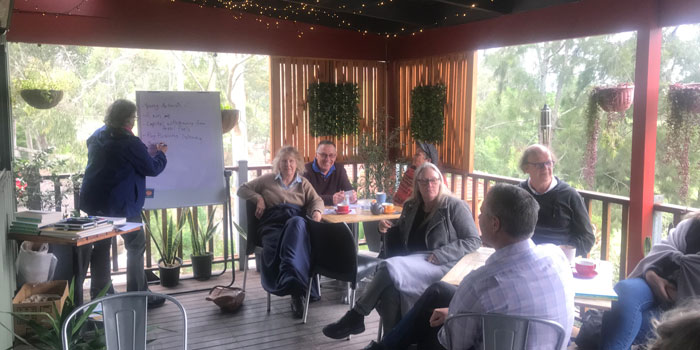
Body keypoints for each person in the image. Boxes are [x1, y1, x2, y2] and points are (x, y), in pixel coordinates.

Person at [362, 184, 574, 350]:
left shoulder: (480, 283)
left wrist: (456, 316)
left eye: (482, 213)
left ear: (495, 224)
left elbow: (452, 343)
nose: (478, 217)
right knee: (439, 290)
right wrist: (457, 313)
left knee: (427, 328)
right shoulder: (557, 256)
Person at [323, 163, 481, 339]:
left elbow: (473, 240)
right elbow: (400, 229)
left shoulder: (454, 206)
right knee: (391, 291)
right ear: (417, 184)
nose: (429, 185)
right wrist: (386, 227)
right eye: (424, 181)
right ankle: (390, 343)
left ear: (441, 182)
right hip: (411, 264)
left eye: (434, 180)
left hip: (439, 265)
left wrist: (443, 253)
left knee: (388, 266)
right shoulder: (412, 206)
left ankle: (356, 315)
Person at [79, 99, 168, 307]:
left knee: (101, 246)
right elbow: (152, 169)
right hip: (121, 205)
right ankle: (138, 296)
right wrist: (161, 154)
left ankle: (102, 295)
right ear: (129, 119)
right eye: (134, 118)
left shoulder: (98, 135)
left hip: (95, 202)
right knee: (135, 244)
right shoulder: (129, 142)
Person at [237, 146, 324, 319]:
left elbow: (317, 200)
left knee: (297, 222)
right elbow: (242, 189)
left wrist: (317, 213)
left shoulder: (303, 183)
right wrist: (259, 198)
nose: (288, 165)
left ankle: (293, 285)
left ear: (297, 164)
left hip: (295, 225)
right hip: (272, 224)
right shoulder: (267, 180)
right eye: (284, 161)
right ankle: (296, 288)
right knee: (286, 242)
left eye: (291, 161)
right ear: (278, 163)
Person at [601, 211, 700, 350]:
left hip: (689, 311)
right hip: (657, 284)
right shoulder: (690, 226)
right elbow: (661, 254)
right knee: (625, 291)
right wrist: (651, 275)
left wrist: (682, 289)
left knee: (624, 323)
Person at [518, 144, 595, 256]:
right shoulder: (517, 194)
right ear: (525, 168)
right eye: (539, 165)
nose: (545, 168)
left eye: (549, 163)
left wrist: (563, 252)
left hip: (559, 261)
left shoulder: (569, 195)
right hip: (524, 259)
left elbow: (587, 238)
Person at [303, 140, 356, 206]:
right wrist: (331, 199)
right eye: (323, 155)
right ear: (316, 155)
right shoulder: (305, 170)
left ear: (335, 156)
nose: (327, 159)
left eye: (331, 155)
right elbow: (304, 197)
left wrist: (352, 197)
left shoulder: (339, 169)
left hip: (333, 213)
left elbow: (348, 190)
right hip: (311, 212)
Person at [392, 142, 439, 206]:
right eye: (415, 154)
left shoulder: (436, 179)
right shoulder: (410, 173)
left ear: (428, 161)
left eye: (417, 155)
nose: (414, 156)